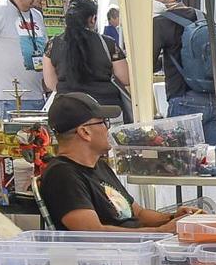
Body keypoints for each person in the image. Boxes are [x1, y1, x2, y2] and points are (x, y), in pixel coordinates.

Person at [36, 94, 197, 233]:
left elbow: (138, 214)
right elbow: (93, 233)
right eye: (103, 122)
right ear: (85, 132)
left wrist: (173, 218)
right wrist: (161, 232)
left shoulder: (99, 165)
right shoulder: (62, 175)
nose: (108, 129)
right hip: (113, 258)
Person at [151, 0, 216, 144]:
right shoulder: (203, 17)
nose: (152, 0)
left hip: (182, 98)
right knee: (214, 162)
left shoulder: (160, 23)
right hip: (214, 98)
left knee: (181, 162)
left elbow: (150, 64)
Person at [41, 0, 132, 117]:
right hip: (105, 108)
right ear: (93, 19)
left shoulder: (53, 44)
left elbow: (51, 83)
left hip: (68, 109)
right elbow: (125, 78)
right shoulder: (107, 43)